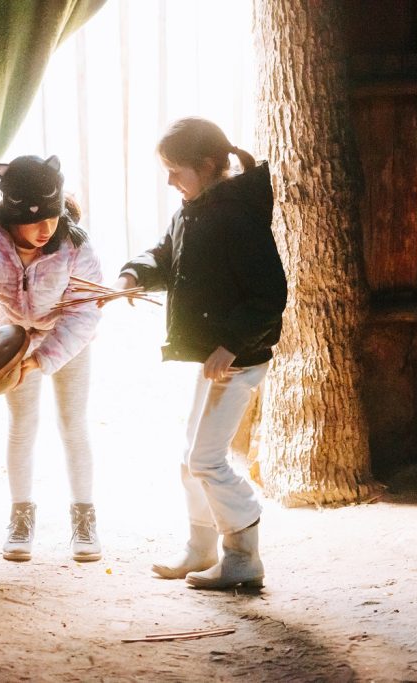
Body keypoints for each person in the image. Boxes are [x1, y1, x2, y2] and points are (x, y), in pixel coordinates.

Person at [104, 117, 287, 590]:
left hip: (238, 359)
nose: (169, 181)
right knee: (190, 459)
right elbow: (166, 255)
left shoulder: (237, 217)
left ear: (206, 166)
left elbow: (269, 295)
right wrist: (133, 275)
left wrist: (231, 344)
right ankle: (200, 548)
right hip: (217, 356)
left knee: (206, 460)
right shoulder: (194, 207)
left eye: (175, 170)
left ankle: (244, 555)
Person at [0, 154, 104, 563]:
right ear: (10, 213)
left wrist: (45, 359)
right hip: (13, 342)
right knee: (22, 425)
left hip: (68, 340)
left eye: (54, 216)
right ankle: (21, 517)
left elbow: (86, 311)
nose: (46, 229)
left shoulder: (75, 246)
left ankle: (84, 518)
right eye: (34, 219)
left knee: (73, 424)